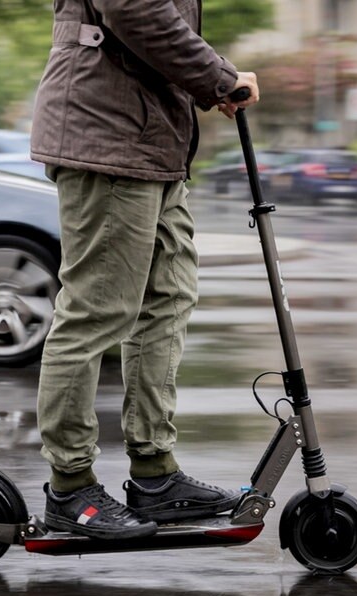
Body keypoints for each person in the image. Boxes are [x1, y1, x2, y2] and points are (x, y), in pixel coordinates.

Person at [28, 0, 260, 540]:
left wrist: (210, 83)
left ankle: (155, 472)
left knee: (167, 299)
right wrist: (219, 77)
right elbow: (135, 10)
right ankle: (71, 486)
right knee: (97, 309)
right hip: (107, 137)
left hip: (151, 142)